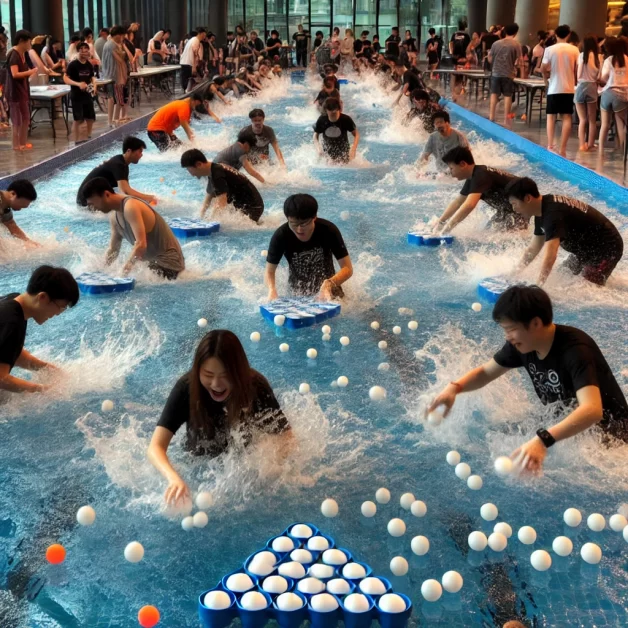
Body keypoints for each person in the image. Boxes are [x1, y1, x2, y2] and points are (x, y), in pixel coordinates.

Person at [428, 286, 628, 476]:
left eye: (511, 329)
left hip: (610, 444)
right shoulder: (523, 344)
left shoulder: (576, 350)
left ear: (536, 323)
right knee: (499, 433)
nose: (508, 337)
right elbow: (485, 374)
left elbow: (592, 410)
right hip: (566, 430)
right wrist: (454, 388)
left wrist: (542, 440)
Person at [148, 330, 292, 503]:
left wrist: (273, 466)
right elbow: (155, 447)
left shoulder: (255, 386)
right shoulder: (186, 388)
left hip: (242, 463)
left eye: (225, 376)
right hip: (198, 463)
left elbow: (286, 436)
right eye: (208, 375)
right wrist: (173, 479)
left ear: (239, 372)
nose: (216, 384)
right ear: (197, 369)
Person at [506, 177, 623, 285]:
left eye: (514, 204)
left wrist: (538, 286)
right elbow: (533, 248)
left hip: (607, 249)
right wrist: (513, 274)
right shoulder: (542, 210)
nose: (514, 209)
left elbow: (551, 255)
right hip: (585, 249)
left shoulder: (552, 215)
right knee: (564, 275)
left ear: (527, 198)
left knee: (585, 289)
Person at [82, 178, 185, 280]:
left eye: (92, 204)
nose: (93, 209)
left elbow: (141, 245)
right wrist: (101, 272)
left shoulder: (130, 206)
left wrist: (123, 273)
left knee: (132, 282)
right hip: (153, 265)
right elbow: (113, 250)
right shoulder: (114, 216)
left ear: (106, 194)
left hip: (170, 265)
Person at [0, 266, 79, 395]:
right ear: (42, 297)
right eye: (61, 307)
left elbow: (8, 350)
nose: (58, 313)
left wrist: (47, 369)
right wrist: (42, 391)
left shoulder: (13, 302)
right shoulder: (11, 321)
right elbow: (1, 379)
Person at [265, 194, 353, 300]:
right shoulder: (281, 236)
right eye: (293, 224)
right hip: (297, 294)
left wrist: (329, 284)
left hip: (330, 290)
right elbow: (269, 271)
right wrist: (272, 290)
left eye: (303, 224)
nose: (299, 229)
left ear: (314, 217)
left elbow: (347, 268)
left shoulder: (328, 230)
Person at [434, 146, 526, 232]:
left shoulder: (481, 175)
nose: (450, 173)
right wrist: (440, 222)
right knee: (488, 232)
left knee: (500, 238)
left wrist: (446, 230)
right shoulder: (473, 177)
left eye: (451, 168)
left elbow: (469, 205)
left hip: (522, 207)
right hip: (508, 210)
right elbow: (458, 202)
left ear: (462, 164)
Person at [180, 149, 264, 223]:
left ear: (199, 164)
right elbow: (209, 195)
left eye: (188, 169)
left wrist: (210, 222)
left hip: (252, 209)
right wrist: (201, 216)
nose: (190, 173)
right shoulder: (213, 169)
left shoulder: (217, 173)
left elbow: (222, 202)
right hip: (253, 206)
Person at [77, 137, 155, 206]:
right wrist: (150, 198)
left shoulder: (123, 164)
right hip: (86, 201)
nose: (141, 155)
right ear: (129, 151)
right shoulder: (118, 164)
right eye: (140, 151)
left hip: (90, 198)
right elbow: (125, 192)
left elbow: (126, 190)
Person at [541, 24, 579, 157]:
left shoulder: (550, 49)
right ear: (568, 35)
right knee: (567, 117)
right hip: (568, 88)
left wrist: (546, 79)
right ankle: (563, 149)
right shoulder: (574, 50)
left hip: (554, 87)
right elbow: (576, 69)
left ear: (556, 35)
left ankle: (551, 145)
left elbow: (543, 68)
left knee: (551, 117)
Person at [5, 30, 37, 151]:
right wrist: (30, 72)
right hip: (15, 93)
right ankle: (16, 145)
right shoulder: (14, 54)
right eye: (29, 42)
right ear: (21, 41)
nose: (30, 44)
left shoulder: (23, 54)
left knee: (25, 118)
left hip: (22, 91)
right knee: (17, 121)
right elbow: (15, 74)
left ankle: (23, 142)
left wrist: (30, 73)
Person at [488, 23, 522, 127]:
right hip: (508, 73)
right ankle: (506, 120)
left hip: (496, 73)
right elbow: (519, 61)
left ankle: (491, 117)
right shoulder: (516, 44)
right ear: (516, 33)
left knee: (494, 94)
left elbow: (489, 59)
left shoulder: (496, 43)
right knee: (507, 95)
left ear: (505, 31)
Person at [598, 36, 628, 153]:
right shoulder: (627, 59)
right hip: (622, 95)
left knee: (605, 124)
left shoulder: (609, 60)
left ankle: (600, 150)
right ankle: (623, 149)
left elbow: (603, 78)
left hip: (608, 93)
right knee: (621, 123)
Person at [63, 42, 97, 143]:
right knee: (78, 119)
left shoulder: (89, 64)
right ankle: (76, 140)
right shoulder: (73, 65)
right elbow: (65, 78)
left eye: (86, 50)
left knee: (90, 117)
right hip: (76, 95)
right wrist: (78, 84)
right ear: (78, 51)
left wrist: (94, 85)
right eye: (82, 50)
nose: (84, 52)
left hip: (87, 94)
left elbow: (92, 77)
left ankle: (88, 136)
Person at [575, 35, 603, 151]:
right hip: (592, 87)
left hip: (581, 86)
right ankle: (591, 144)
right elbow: (599, 76)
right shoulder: (599, 57)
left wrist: (580, 79)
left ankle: (582, 145)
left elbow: (578, 74)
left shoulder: (582, 56)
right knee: (592, 120)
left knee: (582, 119)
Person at [313, 97, 359, 164]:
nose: (334, 115)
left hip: (343, 152)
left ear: (339, 109)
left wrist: (353, 149)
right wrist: (318, 148)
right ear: (326, 110)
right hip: (327, 153)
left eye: (336, 112)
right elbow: (315, 135)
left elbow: (356, 134)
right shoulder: (322, 120)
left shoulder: (345, 119)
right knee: (329, 163)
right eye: (332, 113)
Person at [101, 25, 129, 127]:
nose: (122, 38)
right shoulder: (111, 45)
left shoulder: (110, 44)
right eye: (122, 35)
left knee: (116, 98)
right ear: (118, 35)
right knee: (112, 98)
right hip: (112, 75)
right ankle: (111, 120)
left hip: (112, 75)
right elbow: (120, 59)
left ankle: (114, 119)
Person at [0, 180, 39, 244]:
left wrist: (28, 241)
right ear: (13, 194)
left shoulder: (6, 207)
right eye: (21, 206)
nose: (20, 209)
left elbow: (11, 225)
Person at [180, 27, 206, 92]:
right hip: (188, 63)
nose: (204, 37)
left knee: (186, 80)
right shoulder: (196, 40)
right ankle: (187, 95)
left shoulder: (192, 39)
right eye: (204, 35)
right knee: (188, 81)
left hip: (185, 62)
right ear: (201, 33)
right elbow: (195, 54)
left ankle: (187, 93)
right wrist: (194, 67)